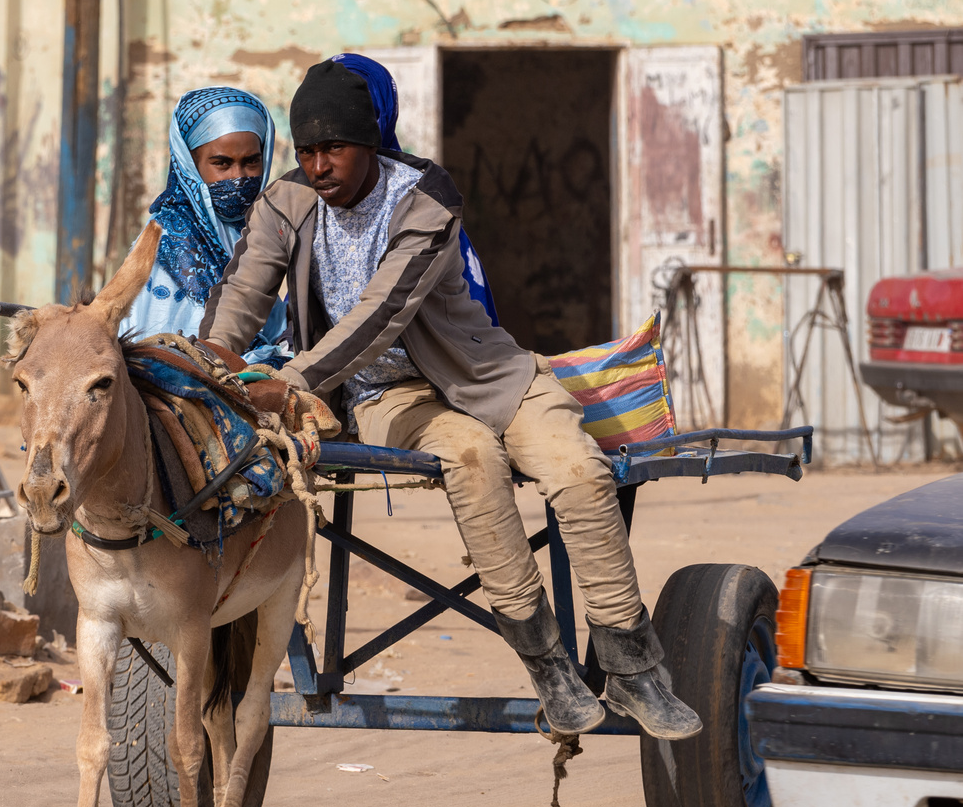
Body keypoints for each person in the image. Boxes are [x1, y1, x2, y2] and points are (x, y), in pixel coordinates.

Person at [199, 59, 701, 740]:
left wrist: (293, 379)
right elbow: (242, 294)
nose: (319, 166)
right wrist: (206, 368)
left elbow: (384, 310)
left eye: (333, 149)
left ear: (368, 143)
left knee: (580, 473)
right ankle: (547, 666)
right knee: (469, 460)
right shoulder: (286, 203)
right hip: (388, 395)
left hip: (492, 376)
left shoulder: (426, 196)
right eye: (307, 151)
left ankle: (634, 666)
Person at [329, 53, 499, 328]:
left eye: (356, 116)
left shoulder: (420, 204)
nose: (340, 131)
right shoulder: (304, 208)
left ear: (381, 114)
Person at [121, 87, 288, 361]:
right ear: (190, 165)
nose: (238, 177)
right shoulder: (167, 238)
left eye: (251, 162)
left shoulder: (262, 228)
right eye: (222, 163)